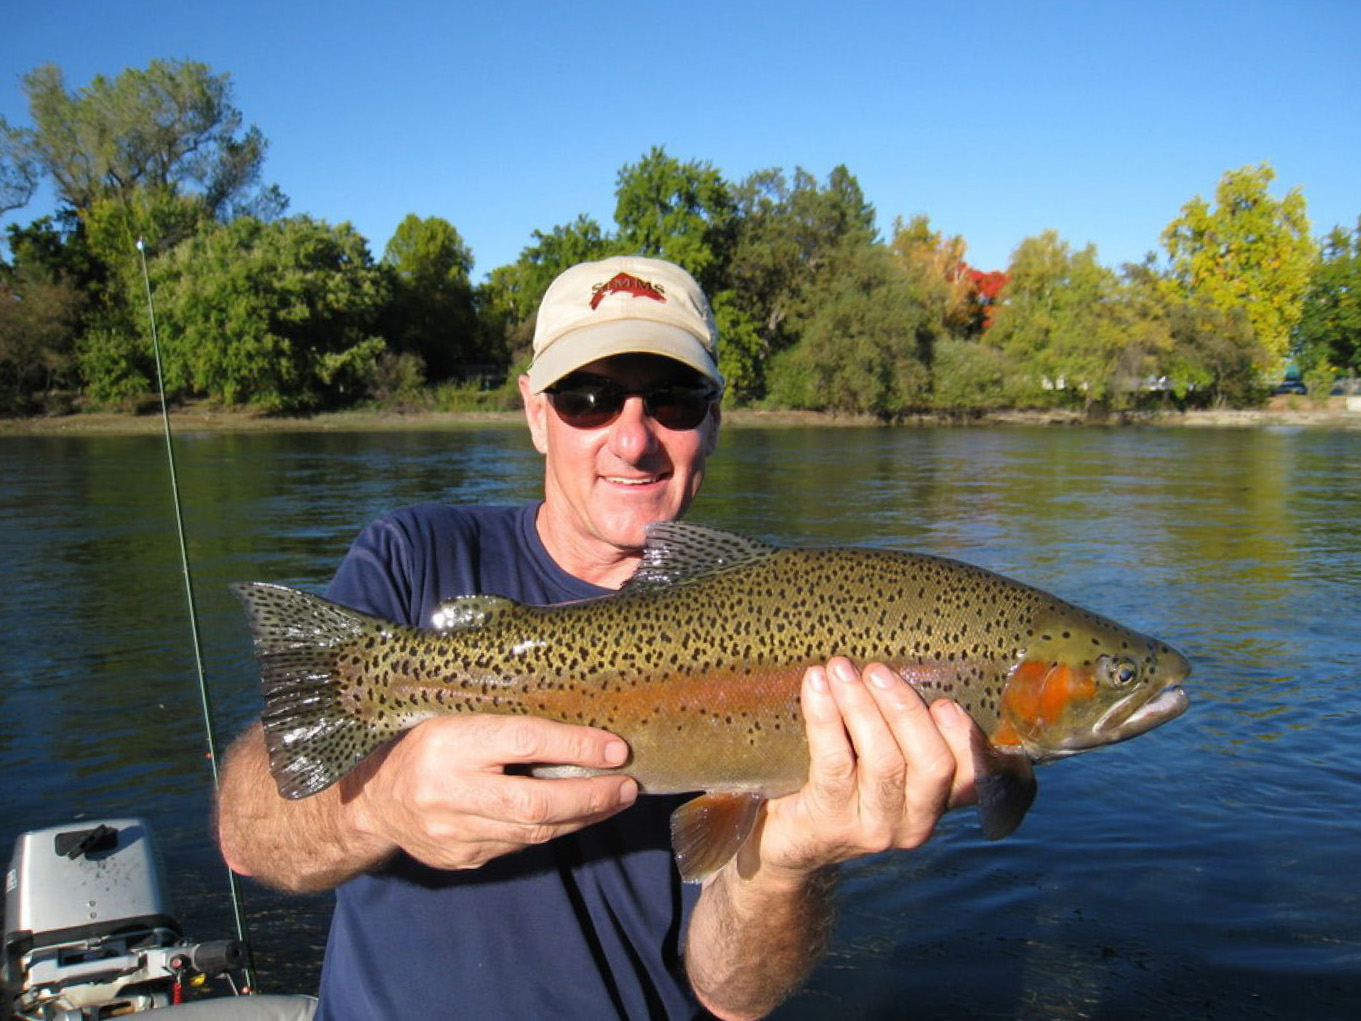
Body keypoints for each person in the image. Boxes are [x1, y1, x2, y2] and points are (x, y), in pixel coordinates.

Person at [216, 255, 985, 1020]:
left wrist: (789, 860)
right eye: (587, 397)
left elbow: (730, 995)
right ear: (535, 413)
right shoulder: (413, 555)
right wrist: (378, 806)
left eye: (673, 398)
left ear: (714, 419)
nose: (632, 439)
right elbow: (246, 837)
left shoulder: (789, 620)